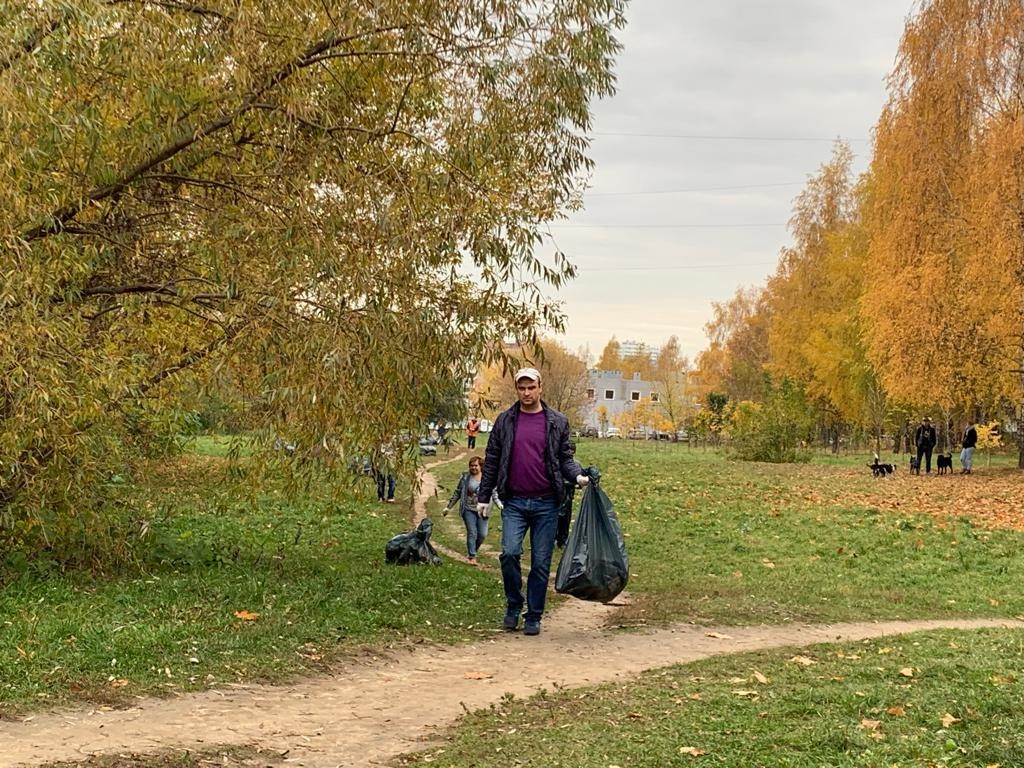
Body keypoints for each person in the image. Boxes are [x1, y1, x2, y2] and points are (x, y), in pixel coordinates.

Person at [477, 367, 587, 637]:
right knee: (510, 553)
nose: (526, 393)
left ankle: (534, 615)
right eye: (521, 388)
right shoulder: (505, 421)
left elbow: (564, 458)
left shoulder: (557, 422)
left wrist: (578, 476)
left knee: (540, 562)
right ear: (517, 390)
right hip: (514, 502)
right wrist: (483, 497)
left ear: (540, 387)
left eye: (531, 387)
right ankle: (514, 606)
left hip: (547, 504)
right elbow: (491, 460)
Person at [444, 456, 487, 564]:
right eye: (471, 466)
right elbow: (458, 492)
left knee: (482, 534)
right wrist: (448, 507)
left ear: (481, 466)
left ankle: (473, 550)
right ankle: (472, 556)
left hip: (482, 510)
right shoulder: (465, 477)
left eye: (476, 465)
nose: (473, 468)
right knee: (472, 532)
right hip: (468, 509)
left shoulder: (487, 478)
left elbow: (494, 492)